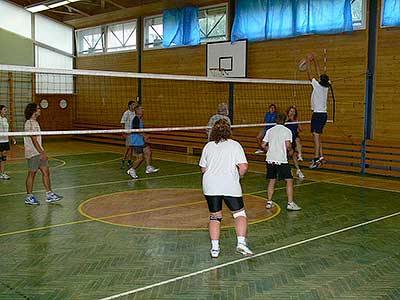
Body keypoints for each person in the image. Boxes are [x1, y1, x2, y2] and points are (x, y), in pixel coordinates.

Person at [199, 119, 253, 258]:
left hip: (210, 185)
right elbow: (244, 166)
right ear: (229, 131)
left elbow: (203, 168)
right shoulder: (235, 145)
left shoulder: (208, 146)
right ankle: (241, 244)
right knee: (239, 214)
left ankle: (215, 249)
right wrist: (238, 177)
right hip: (229, 184)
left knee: (215, 216)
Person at [23, 103, 63, 205]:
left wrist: (42, 152)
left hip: (39, 152)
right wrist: (42, 152)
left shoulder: (36, 122)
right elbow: (33, 139)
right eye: (38, 109)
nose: (40, 110)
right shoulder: (29, 123)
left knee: (46, 172)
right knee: (32, 174)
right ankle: (29, 197)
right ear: (33, 111)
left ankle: (49, 194)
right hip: (33, 153)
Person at [261, 112, 301, 211]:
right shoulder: (287, 131)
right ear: (285, 120)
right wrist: (291, 150)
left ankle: (269, 202)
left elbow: (263, 145)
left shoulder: (270, 130)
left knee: (272, 180)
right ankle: (290, 203)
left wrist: (269, 150)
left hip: (270, 159)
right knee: (289, 180)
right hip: (281, 160)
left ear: (276, 120)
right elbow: (288, 145)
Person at [306, 53, 330, 169]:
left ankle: (315, 159)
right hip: (324, 115)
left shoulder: (317, 85)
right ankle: (321, 157)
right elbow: (319, 73)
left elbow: (310, 74)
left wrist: (308, 60)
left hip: (317, 115)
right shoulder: (326, 86)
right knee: (318, 136)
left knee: (316, 137)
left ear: (320, 80)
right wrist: (315, 61)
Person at [127, 105, 159, 179]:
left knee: (148, 152)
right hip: (136, 141)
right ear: (137, 111)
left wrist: (144, 136)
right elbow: (136, 130)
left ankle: (149, 167)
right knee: (140, 158)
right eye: (141, 109)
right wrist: (145, 135)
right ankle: (132, 170)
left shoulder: (139, 119)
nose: (143, 110)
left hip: (140, 140)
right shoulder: (136, 119)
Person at [285, 106, 305, 179]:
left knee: (294, 154)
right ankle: (288, 170)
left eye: (293, 111)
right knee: (287, 156)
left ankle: (298, 169)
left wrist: (298, 123)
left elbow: (301, 129)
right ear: (288, 112)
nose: (292, 112)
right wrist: (287, 119)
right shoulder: (286, 120)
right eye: (291, 111)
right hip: (287, 140)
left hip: (294, 138)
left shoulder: (296, 120)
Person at [0, 105, 16, 180]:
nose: (6, 110)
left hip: (5, 140)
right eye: (4, 109)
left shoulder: (5, 119)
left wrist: (12, 137)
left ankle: (2, 173)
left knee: (3, 157)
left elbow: (7, 130)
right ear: (0, 110)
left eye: (6, 109)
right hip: (0, 141)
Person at [120, 100, 137, 169]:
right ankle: (123, 161)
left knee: (131, 148)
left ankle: (129, 161)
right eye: (133, 104)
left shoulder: (135, 113)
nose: (134, 106)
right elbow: (122, 123)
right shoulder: (126, 113)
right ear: (129, 105)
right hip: (128, 132)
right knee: (127, 148)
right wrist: (123, 132)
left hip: (134, 132)